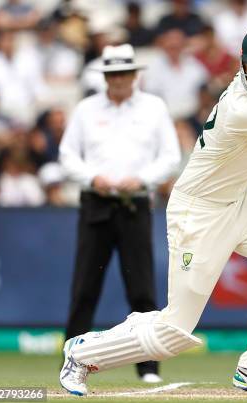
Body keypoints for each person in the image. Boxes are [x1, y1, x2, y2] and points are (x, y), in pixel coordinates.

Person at [59, 15, 247, 397]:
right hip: (199, 212)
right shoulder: (243, 108)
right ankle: (83, 352)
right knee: (174, 332)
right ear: (242, 64)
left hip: (241, 199)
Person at [58, 44, 181, 384]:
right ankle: (70, 362)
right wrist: (92, 177)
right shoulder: (86, 109)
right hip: (96, 203)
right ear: (105, 77)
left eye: (124, 73)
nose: (119, 80)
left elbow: (170, 156)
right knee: (84, 289)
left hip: (134, 204)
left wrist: (141, 179)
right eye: (113, 74)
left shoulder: (153, 107)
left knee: (141, 289)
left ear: (135, 75)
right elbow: (68, 155)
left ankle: (148, 367)